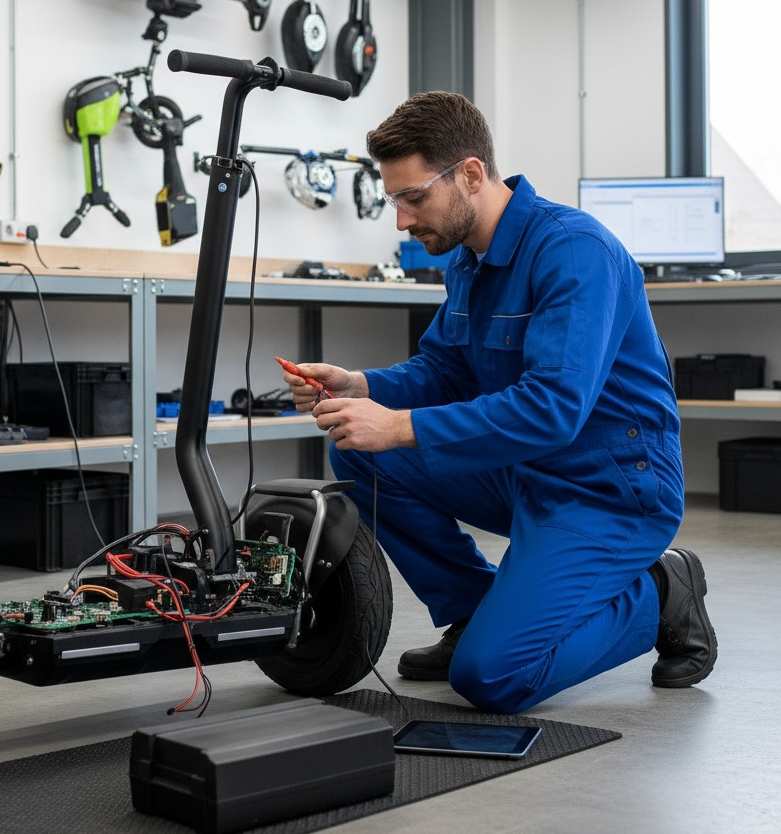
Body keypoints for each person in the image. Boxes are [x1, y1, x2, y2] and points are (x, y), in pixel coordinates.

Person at [280, 91, 717, 714]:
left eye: (413, 198)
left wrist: (400, 425)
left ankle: (660, 590)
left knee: (494, 677)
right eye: (394, 200)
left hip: (611, 490)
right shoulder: (470, 260)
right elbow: (444, 367)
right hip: (527, 472)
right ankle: (472, 612)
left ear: (471, 175)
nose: (401, 221)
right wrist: (363, 387)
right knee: (359, 449)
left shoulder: (573, 251)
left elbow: (552, 408)